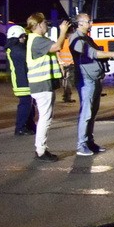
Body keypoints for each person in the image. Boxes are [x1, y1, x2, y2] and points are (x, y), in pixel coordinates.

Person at [69, 14, 114, 156]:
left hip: (93, 78)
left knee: (92, 112)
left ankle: (89, 142)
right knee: (86, 113)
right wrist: (113, 53)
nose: (91, 22)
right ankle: (81, 145)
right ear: (80, 23)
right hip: (85, 79)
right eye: (88, 21)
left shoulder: (86, 37)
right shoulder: (76, 39)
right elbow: (93, 53)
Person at [26, 13, 70, 161]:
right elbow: (57, 46)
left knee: (46, 117)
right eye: (44, 22)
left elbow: (55, 49)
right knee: (45, 118)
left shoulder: (38, 40)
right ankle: (41, 150)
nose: (47, 25)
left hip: (43, 83)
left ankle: (41, 149)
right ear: (38, 25)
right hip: (41, 84)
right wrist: (63, 30)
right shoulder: (37, 40)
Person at [5, 25, 35, 136]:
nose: (24, 39)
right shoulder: (16, 49)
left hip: (23, 79)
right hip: (21, 81)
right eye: (23, 37)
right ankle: (20, 128)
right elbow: (30, 56)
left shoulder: (14, 48)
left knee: (29, 104)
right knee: (25, 104)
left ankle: (29, 125)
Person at [58, 35, 75, 103]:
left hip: (63, 64)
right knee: (69, 81)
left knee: (65, 81)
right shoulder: (72, 42)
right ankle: (67, 96)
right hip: (70, 64)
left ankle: (66, 95)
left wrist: (60, 62)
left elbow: (57, 52)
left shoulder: (61, 41)